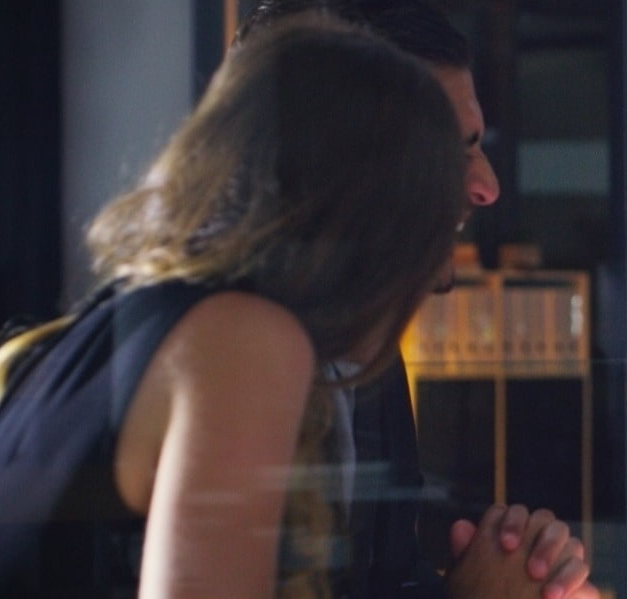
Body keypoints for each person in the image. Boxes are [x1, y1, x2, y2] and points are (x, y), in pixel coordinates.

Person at [0, 19, 556, 598]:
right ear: (368, 192)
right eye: (439, 161)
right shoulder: (241, 339)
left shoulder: (166, 323)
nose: (478, 192)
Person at [234, 3, 595, 598]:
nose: (487, 187)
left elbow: (378, 583)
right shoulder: (227, 354)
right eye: (451, 151)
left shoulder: (360, 350)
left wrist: (508, 569)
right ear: (338, 161)